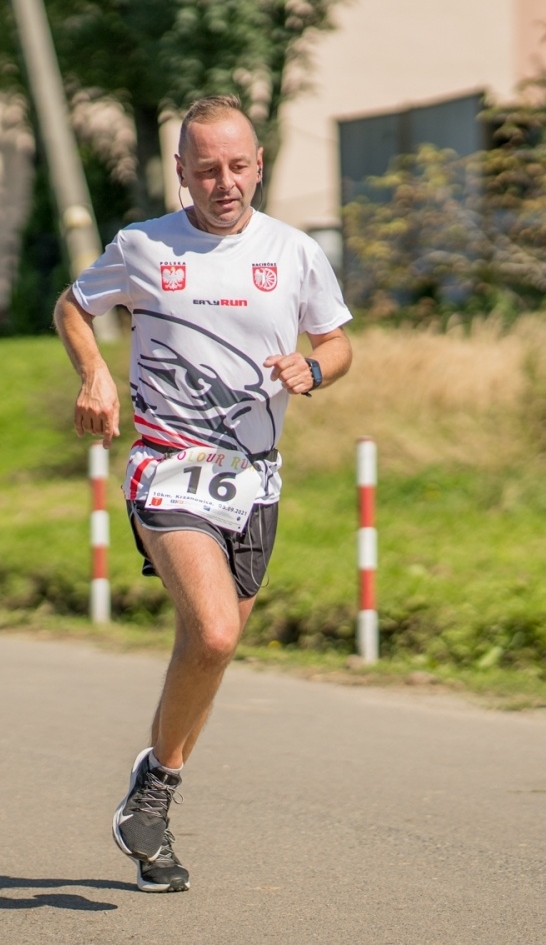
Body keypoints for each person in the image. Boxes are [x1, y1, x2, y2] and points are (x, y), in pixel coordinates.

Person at [54, 95, 353, 893]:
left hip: (255, 477)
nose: (225, 183)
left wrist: (315, 367)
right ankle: (155, 794)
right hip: (168, 466)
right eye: (206, 169)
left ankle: (150, 802)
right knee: (215, 632)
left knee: (205, 650)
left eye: (238, 166)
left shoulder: (292, 252)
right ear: (181, 173)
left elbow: (337, 338)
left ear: (259, 163)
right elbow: (73, 307)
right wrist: (95, 374)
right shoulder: (144, 246)